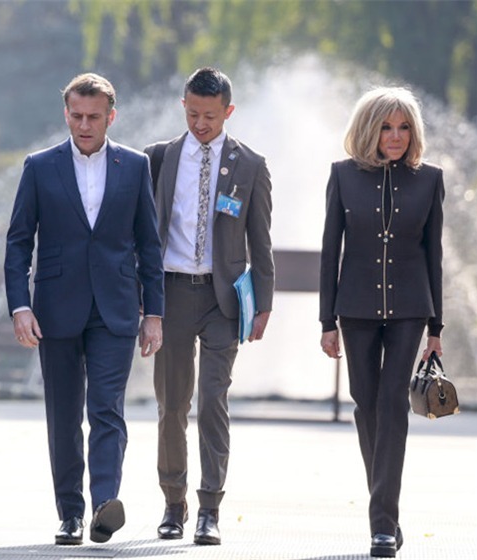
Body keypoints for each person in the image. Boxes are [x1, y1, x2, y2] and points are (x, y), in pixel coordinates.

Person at [4, 73, 165, 546]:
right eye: (76, 116)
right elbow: (18, 242)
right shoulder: (40, 166)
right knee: (63, 415)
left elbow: (149, 245)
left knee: (107, 409)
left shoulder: (134, 165)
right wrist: (19, 306)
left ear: (111, 116)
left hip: (116, 308)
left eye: (94, 117)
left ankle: (104, 505)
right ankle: (70, 513)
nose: (84, 125)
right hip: (55, 308)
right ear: (66, 114)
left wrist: (153, 313)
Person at [143, 67, 274, 546]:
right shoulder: (158, 158)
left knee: (213, 400)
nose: (201, 124)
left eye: (211, 116)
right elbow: (143, 233)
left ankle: (209, 507)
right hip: (172, 293)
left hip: (223, 301)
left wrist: (263, 304)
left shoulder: (250, 165)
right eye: (193, 114)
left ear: (228, 112)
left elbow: (261, 240)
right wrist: (144, 301)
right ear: (184, 106)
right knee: (172, 404)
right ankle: (172, 502)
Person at [319, 87, 444, 558]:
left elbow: (433, 256)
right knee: (366, 404)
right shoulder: (342, 175)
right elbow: (330, 251)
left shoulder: (430, 179)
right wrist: (326, 320)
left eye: (404, 127)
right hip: (354, 309)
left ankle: (382, 526)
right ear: (369, 129)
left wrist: (436, 329)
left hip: (411, 308)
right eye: (387, 126)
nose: (395, 136)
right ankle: (386, 510)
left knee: (392, 404)